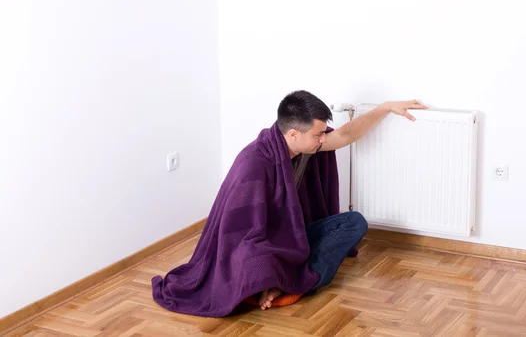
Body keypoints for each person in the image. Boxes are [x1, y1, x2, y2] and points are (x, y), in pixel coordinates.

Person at [151, 90, 427, 317]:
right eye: (318, 135)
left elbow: (345, 135)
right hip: (261, 242)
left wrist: (386, 107)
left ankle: (292, 285)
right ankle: (283, 284)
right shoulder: (253, 164)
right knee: (254, 262)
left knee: (354, 223)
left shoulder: (305, 146)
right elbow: (237, 235)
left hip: (291, 236)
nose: (323, 139)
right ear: (294, 133)